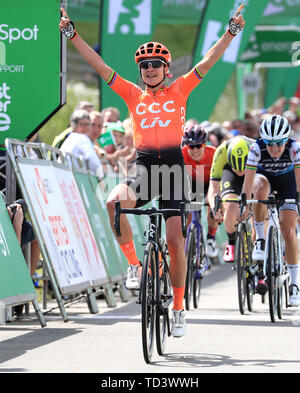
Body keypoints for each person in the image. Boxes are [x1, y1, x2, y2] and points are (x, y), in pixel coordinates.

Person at [59, 5, 245, 337]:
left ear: (166, 69)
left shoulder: (180, 89)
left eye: (155, 65)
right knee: (114, 204)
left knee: (175, 241)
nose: (149, 69)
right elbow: (99, 65)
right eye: (144, 65)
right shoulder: (132, 94)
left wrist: (231, 30)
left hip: (174, 167)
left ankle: (177, 308)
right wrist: (73, 34)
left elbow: (208, 60)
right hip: (144, 166)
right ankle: (134, 264)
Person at [241, 114, 300, 305]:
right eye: (269, 143)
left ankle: (294, 284)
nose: (274, 148)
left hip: (288, 184)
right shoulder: (256, 148)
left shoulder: (295, 148)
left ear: (286, 139)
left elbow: (299, 183)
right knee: (258, 186)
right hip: (264, 180)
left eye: (279, 143)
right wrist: (244, 201)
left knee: (288, 230)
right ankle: (260, 238)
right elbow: (248, 181)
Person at [207, 135, 254, 262]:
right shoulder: (221, 151)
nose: (239, 171)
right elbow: (213, 186)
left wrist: (250, 207)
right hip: (229, 173)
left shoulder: (257, 150)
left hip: (253, 171)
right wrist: (214, 207)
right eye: (236, 168)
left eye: (241, 169)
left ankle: (260, 244)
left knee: (260, 207)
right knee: (230, 204)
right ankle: (231, 242)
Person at [181, 124, 219, 258]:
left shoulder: (214, 153)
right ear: (186, 146)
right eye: (191, 146)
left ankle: (211, 238)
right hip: (193, 184)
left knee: (213, 204)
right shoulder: (182, 154)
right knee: (189, 210)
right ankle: (188, 242)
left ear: (204, 144)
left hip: (210, 183)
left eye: (199, 146)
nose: (195, 150)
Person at [60, 110, 104, 178]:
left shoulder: (70, 138)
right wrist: (101, 176)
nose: (86, 127)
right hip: (72, 178)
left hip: (64, 177)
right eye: (82, 124)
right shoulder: (82, 138)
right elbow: (94, 162)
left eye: (88, 124)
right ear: (73, 125)